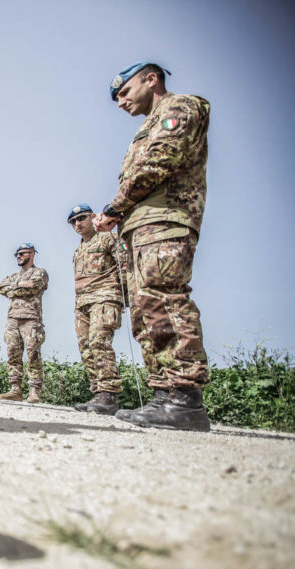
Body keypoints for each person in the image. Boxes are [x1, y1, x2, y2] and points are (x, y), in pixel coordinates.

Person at [93, 62, 211, 432]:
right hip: (142, 227)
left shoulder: (180, 108)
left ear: (151, 78)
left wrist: (113, 208)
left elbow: (158, 163)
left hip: (165, 220)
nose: (119, 102)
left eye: (124, 92)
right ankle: (165, 395)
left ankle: (185, 397)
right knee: (146, 308)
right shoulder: (147, 125)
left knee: (164, 299)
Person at [68, 204, 124, 414]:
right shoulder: (78, 249)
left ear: (93, 217)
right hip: (82, 303)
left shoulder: (108, 239)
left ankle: (109, 393)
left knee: (99, 342)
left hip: (105, 297)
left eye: (81, 218)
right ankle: (99, 392)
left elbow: (124, 265)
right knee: (86, 347)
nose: (77, 224)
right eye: (73, 221)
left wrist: (125, 297)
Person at [0, 243, 49, 403]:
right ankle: (15, 389)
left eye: (22, 253)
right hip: (13, 318)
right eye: (17, 254)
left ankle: (34, 391)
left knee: (33, 354)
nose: (18, 256)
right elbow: (0, 287)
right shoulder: (14, 276)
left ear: (32, 254)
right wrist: (19, 285)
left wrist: (13, 289)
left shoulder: (40, 272)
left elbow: (33, 287)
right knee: (13, 353)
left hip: (31, 319)